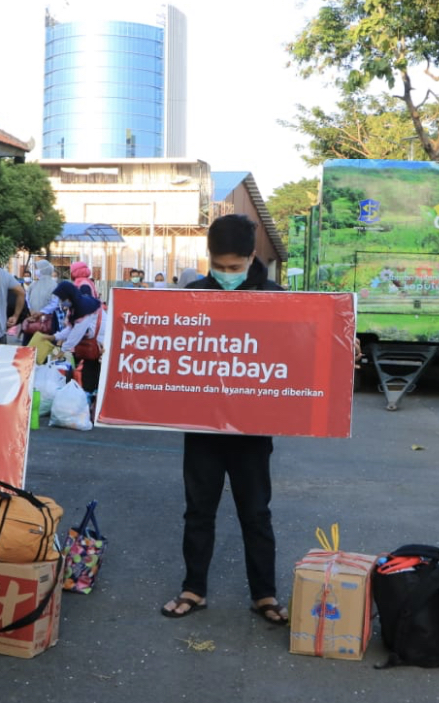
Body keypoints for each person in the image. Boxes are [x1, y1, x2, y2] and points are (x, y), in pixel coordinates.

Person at [160, 214, 289, 624]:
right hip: (203, 429)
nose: (227, 274)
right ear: (208, 257)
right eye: (219, 266)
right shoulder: (192, 295)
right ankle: (193, 588)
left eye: (235, 267)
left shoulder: (278, 298)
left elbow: (302, 352)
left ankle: (264, 595)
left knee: (256, 513)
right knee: (198, 511)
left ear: (253, 257)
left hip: (252, 431)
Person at [42, 282, 105, 394]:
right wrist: (53, 337)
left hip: (99, 344)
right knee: (89, 372)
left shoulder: (84, 308)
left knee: (93, 373)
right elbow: (70, 328)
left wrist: (62, 351)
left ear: (70, 296)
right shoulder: (76, 307)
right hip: (92, 345)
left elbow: (76, 334)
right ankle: (89, 396)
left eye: (63, 298)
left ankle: (89, 399)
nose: (62, 301)